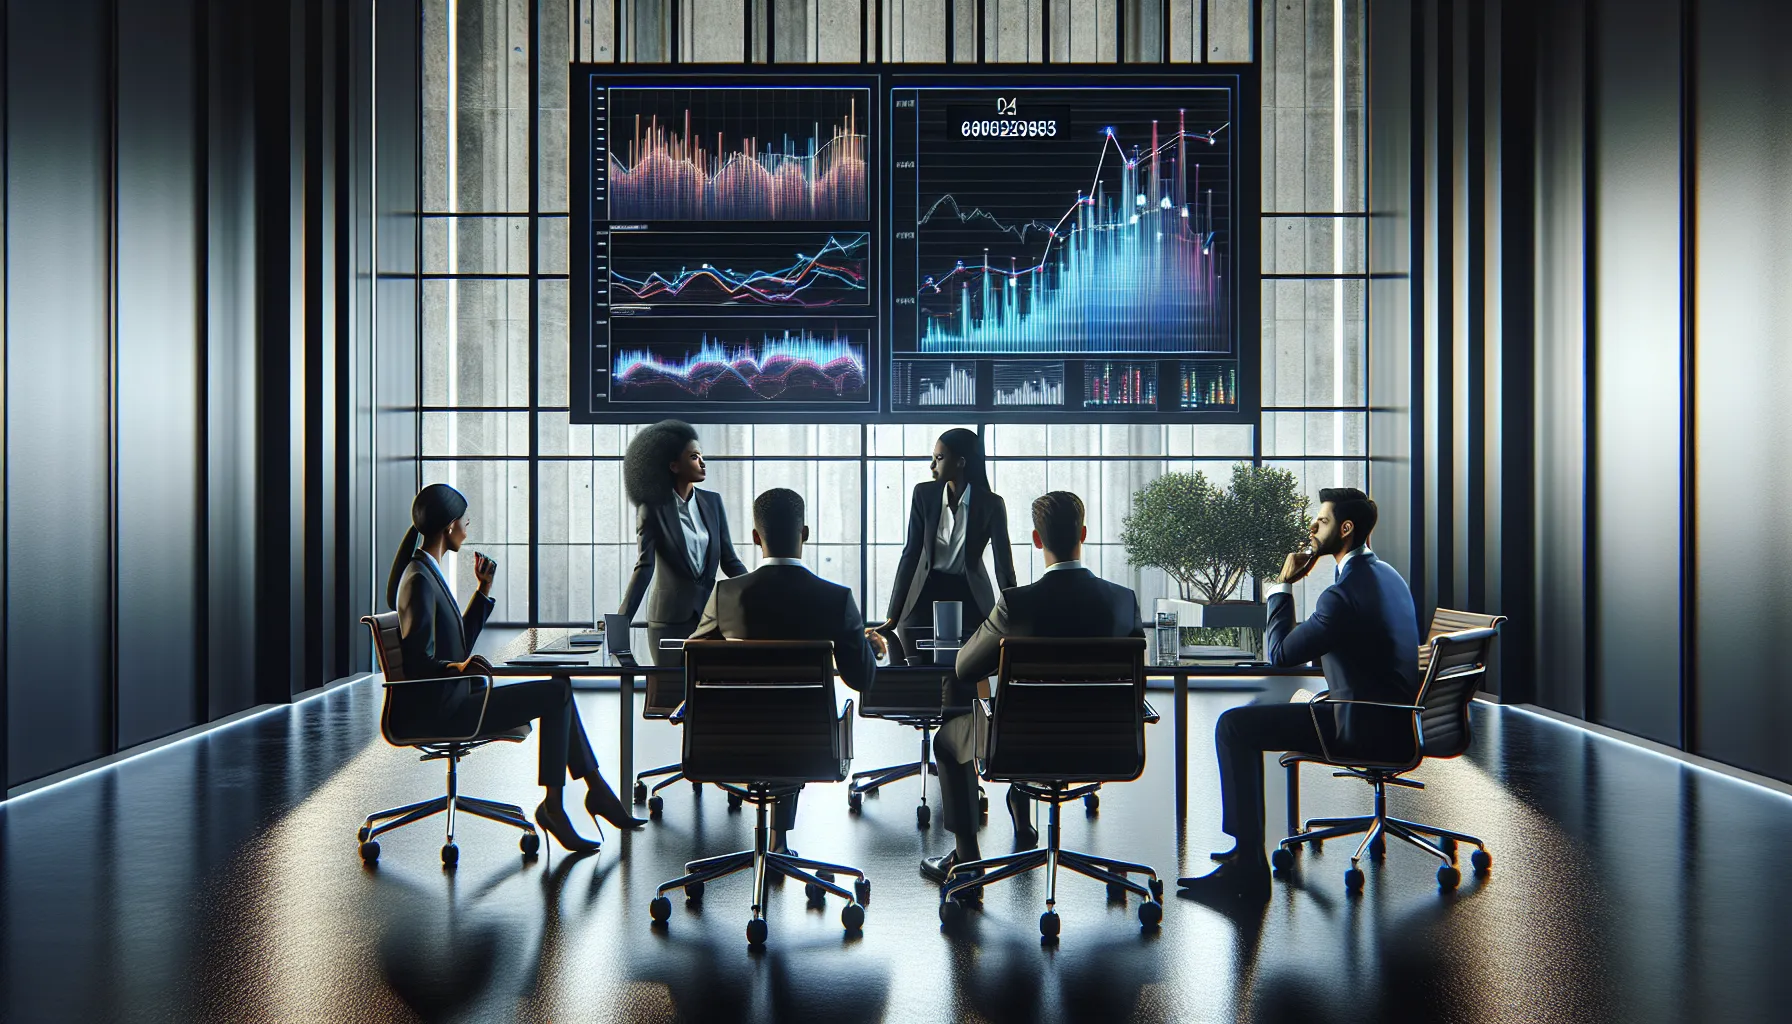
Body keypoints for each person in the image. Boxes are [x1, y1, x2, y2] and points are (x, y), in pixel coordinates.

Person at [1177, 487, 1419, 904]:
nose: (1312, 526)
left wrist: (1282, 586)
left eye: (1321, 521)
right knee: (1287, 705)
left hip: (1358, 725)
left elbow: (1280, 655)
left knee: (1234, 725)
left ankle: (1247, 867)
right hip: (1393, 717)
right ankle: (1243, 854)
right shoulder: (1387, 576)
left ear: (1345, 529)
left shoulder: (1342, 594)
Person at [387, 484, 646, 854]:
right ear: (448, 527)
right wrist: (457, 667)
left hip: (456, 697)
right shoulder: (418, 579)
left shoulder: (426, 572)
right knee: (557, 691)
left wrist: (483, 590)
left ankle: (589, 793)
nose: (467, 526)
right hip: (445, 710)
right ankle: (566, 803)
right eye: (464, 520)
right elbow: (416, 660)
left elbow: (457, 643)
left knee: (558, 688)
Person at [921, 491, 1145, 891]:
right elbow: (1137, 684)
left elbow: (964, 667)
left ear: (1037, 540)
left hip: (1020, 744)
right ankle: (1022, 824)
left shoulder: (1015, 604)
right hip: (1105, 747)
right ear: (1084, 533)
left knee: (948, 739)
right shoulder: (1122, 602)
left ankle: (968, 859)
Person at [689, 487, 888, 854]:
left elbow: (694, 658)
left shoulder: (726, 595)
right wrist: (871, 648)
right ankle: (779, 843)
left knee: (764, 711)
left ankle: (776, 844)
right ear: (805, 535)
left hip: (730, 743)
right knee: (789, 712)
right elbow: (863, 680)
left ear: (754, 537)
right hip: (807, 746)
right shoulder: (835, 598)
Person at [879, 428, 1017, 664]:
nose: (932, 465)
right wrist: (893, 615)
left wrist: (1014, 616)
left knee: (969, 670)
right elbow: (911, 554)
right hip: (925, 592)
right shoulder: (924, 494)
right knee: (913, 667)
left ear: (961, 462)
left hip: (969, 594)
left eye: (939, 458)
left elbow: (1003, 565)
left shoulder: (991, 504)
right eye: (933, 458)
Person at [619, 420, 748, 667]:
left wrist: (760, 589)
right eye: (694, 457)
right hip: (668, 620)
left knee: (708, 692)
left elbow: (730, 561)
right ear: (674, 466)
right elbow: (645, 567)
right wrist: (620, 623)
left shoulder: (713, 503)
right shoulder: (652, 509)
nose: (702, 463)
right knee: (669, 692)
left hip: (710, 618)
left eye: (701, 456)